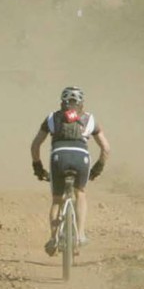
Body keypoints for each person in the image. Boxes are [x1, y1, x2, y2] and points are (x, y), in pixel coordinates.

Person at [30, 85, 110, 255]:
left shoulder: (52, 118)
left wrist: (38, 167)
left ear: (62, 101)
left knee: (57, 200)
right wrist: (98, 167)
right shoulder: (90, 119)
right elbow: (106, 148)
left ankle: (53, 238)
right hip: (81, 158)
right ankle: (80, 235)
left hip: (59, 157)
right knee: (80, 193)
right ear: (82, 102)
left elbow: (36, 144)